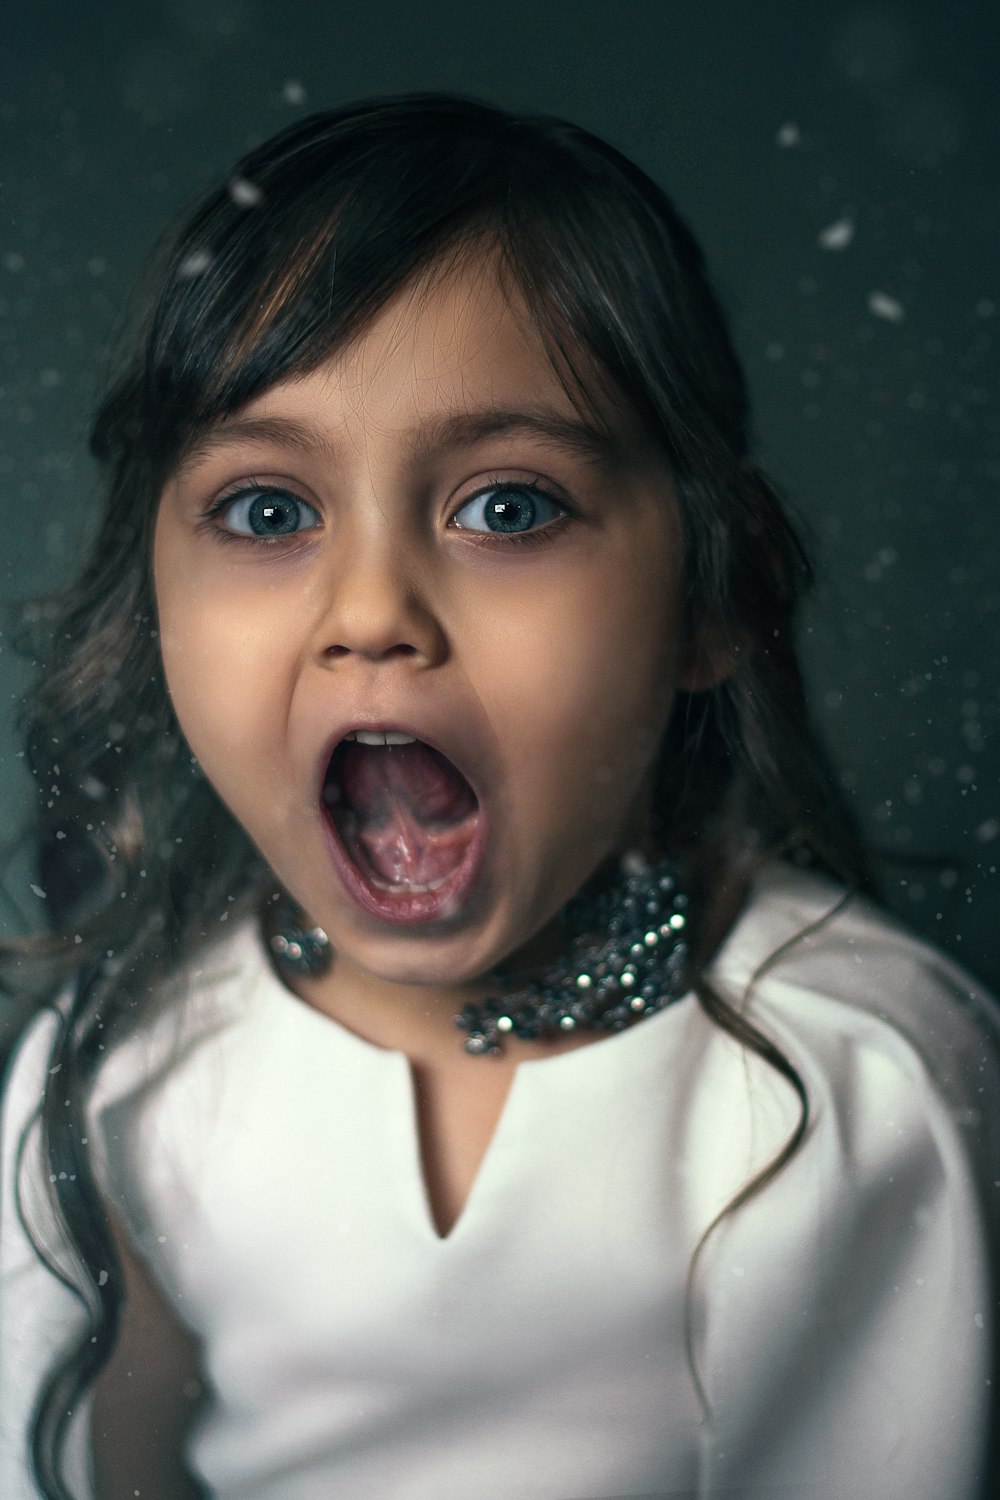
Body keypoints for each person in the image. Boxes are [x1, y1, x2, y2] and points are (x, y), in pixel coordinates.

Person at [1, 92, 998, 1500]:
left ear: (715, 594)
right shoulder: (116, 1075)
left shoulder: (854, 1079)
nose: (372, 612)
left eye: (508, 508)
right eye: (269, 512)